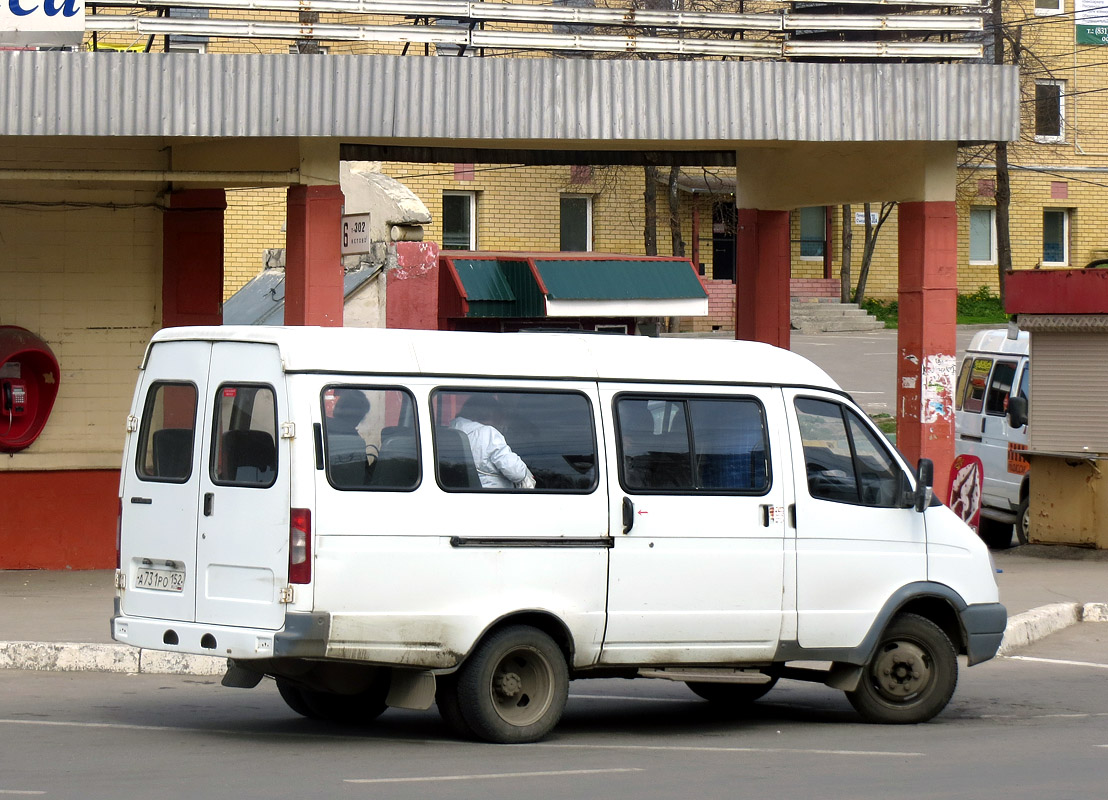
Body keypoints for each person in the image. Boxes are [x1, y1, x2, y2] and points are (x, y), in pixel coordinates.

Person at [451, 394, 536, 489]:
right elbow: (516, 472)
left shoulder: (453, 428)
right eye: (498, 418)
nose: (499, 424)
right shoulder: (488, 433)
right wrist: (527, 473)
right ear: (483, 416)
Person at [327, 389, 373, 485]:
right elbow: (363, 480)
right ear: (358, 416)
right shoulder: (356, 442)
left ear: (337, 408)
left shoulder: (322, 428)